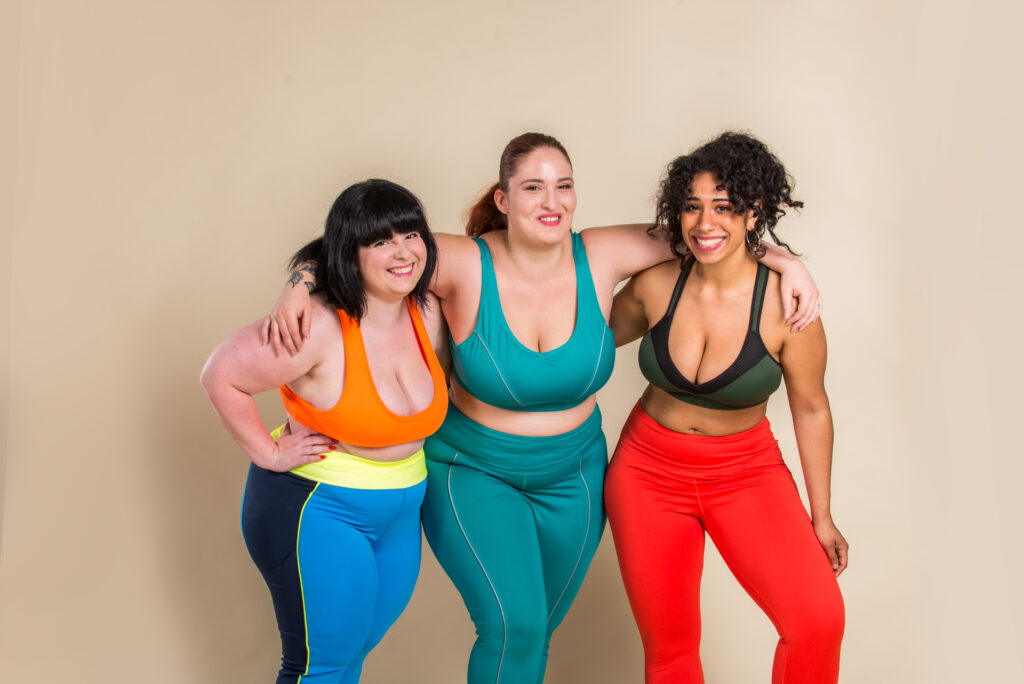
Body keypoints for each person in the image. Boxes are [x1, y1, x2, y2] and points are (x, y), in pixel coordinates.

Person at [265, 133, 822, 684]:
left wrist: (786, 261)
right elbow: (360, 246)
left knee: (535, 634)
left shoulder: (603, 253)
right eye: (533, 187)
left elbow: (705, 234)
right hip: (474, 469)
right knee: (515, 626)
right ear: (504, 199)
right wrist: (301, 281)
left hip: (575, 475)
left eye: (564, 186)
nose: (550, 201)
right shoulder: (460, 260)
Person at [604, 132, 847, 684]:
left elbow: (811, 410)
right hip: (645, 473)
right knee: (670, 650)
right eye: (692, 206)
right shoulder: (656, 285)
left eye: (724, 207)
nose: (705, 222)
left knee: (817, 621)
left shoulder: (789, 309)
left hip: (744, 473)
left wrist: (822, 515)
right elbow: (584, 349)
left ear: (753, 211)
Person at [200, 179, 449, 684]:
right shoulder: (313, 326)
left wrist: (300, 273)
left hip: (399, 513)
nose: (402, 252)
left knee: (352, 654)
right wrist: (268, 453)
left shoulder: (427, 310)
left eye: (410, 234)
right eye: (380, 241)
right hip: (319, 510)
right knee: (320, 667)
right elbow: (219, 373)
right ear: (350, 254)